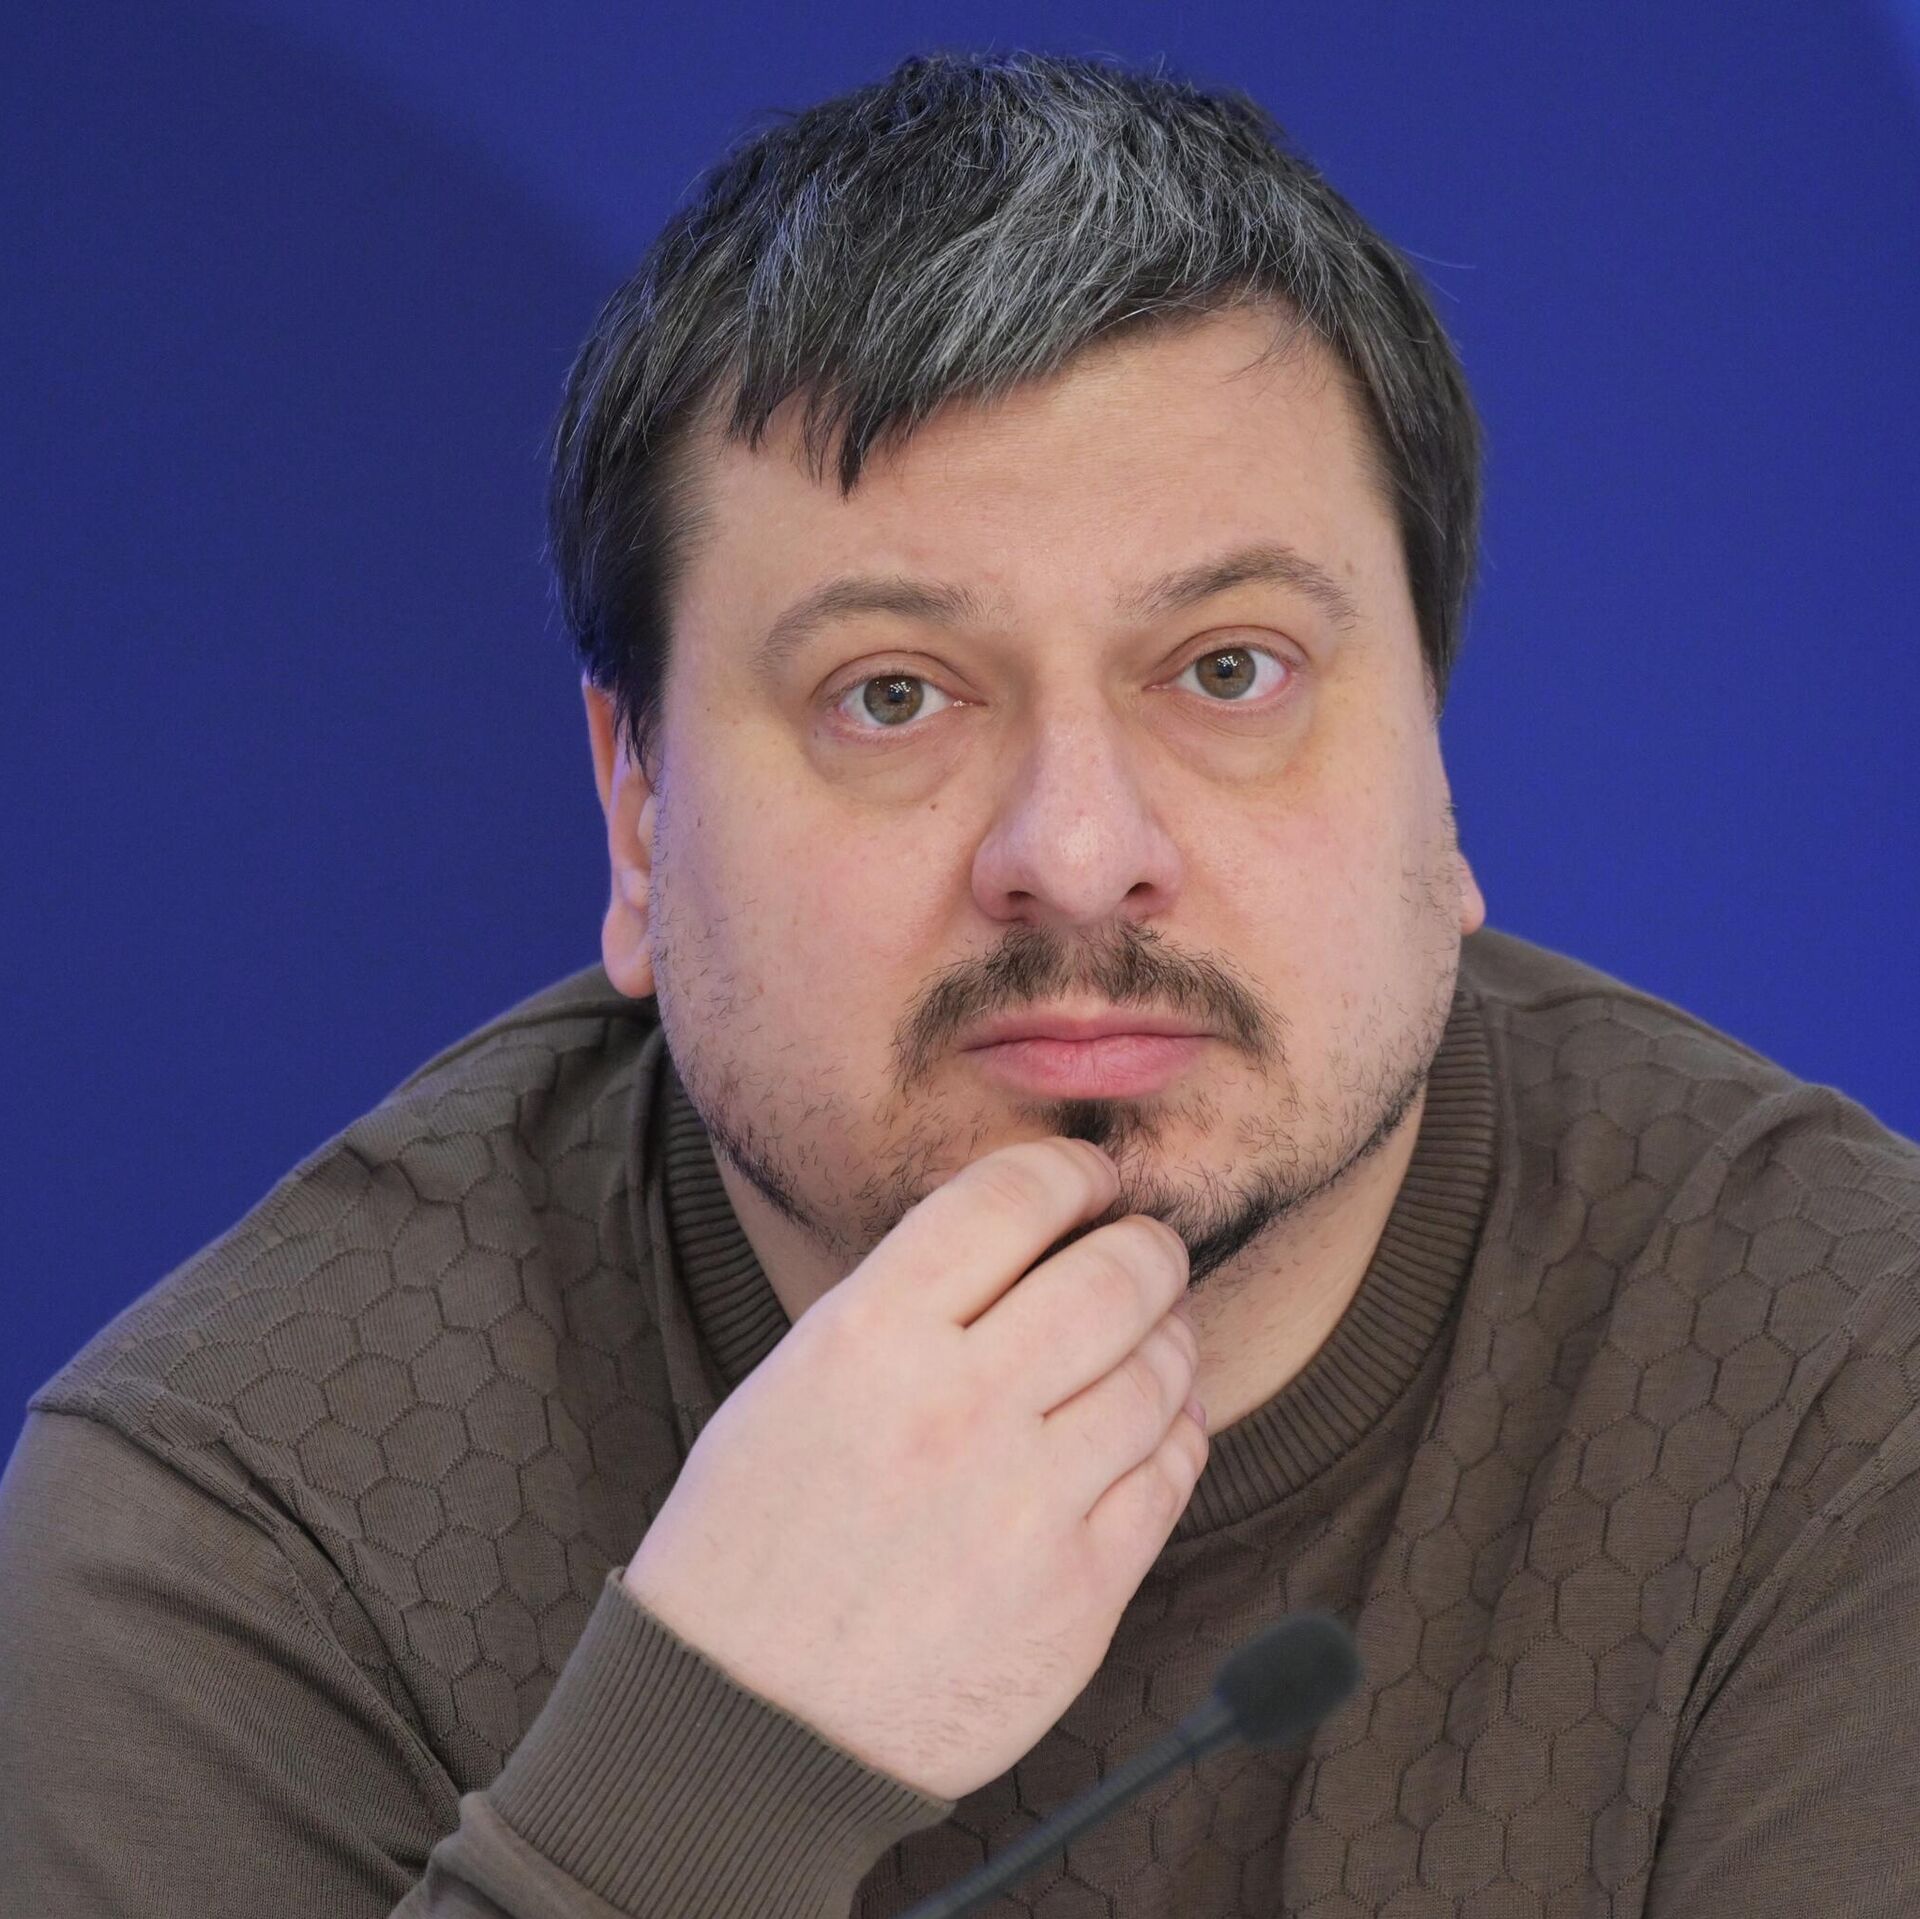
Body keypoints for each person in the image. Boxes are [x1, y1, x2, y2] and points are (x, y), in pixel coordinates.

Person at [2, 47, 1915, 1919]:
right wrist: (703, 1777)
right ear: (639, 820)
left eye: (1230, 670)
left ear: (1438, 763)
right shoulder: (255, 1524)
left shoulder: (1835, 1379)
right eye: (893, 694)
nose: (1076, 852)